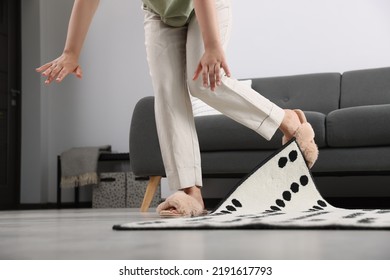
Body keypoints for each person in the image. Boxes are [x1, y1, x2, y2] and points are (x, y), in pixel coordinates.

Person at [36, 0, 318, 217]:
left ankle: (289, 120)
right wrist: (71, 52)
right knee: (167, 93)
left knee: (205, 84)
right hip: (159, 13)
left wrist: (211, 45)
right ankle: (190, 193)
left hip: (205, 7)